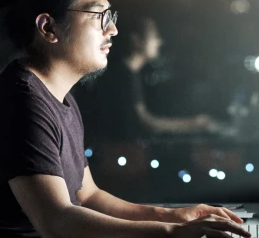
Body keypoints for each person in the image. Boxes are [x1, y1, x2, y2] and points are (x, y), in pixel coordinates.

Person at [0, 0, 250, 238]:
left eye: (110, 16)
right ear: (48, 28)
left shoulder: (59, 98)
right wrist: (171, 234)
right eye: (98, 15)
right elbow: (58, 226)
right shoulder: (21, 105)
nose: (112, 29)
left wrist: (175, 217)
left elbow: (89, 197)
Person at [89, 13, 217, 142]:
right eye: (154, 36)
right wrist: (194, 124)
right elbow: (146, 123)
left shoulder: (127, 73)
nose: (159, 42)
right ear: (136, 40)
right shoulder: (124, 76)